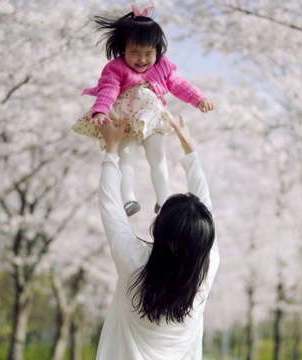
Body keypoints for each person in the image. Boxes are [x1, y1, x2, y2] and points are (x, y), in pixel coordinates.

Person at [96, 114, 219, 359]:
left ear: (159, 228)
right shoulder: (206, 269)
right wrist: (189, 151)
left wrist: (112, 150)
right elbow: (204, 214)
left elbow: (111, 206)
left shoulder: (134, 263)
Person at [73, 5, 215, 217]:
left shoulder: (163, 66)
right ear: (123, 50)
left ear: (158, 50)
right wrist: (101, 111)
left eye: (148, 53)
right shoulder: (116, 68)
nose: (141, 59)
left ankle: (163, 199)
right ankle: (129, 198)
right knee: (126, 157)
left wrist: (198, 98)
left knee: (158, 157)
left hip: (152, 118)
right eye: (134, 53)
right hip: (125, 120)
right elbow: (108, 90)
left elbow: (178, 84)